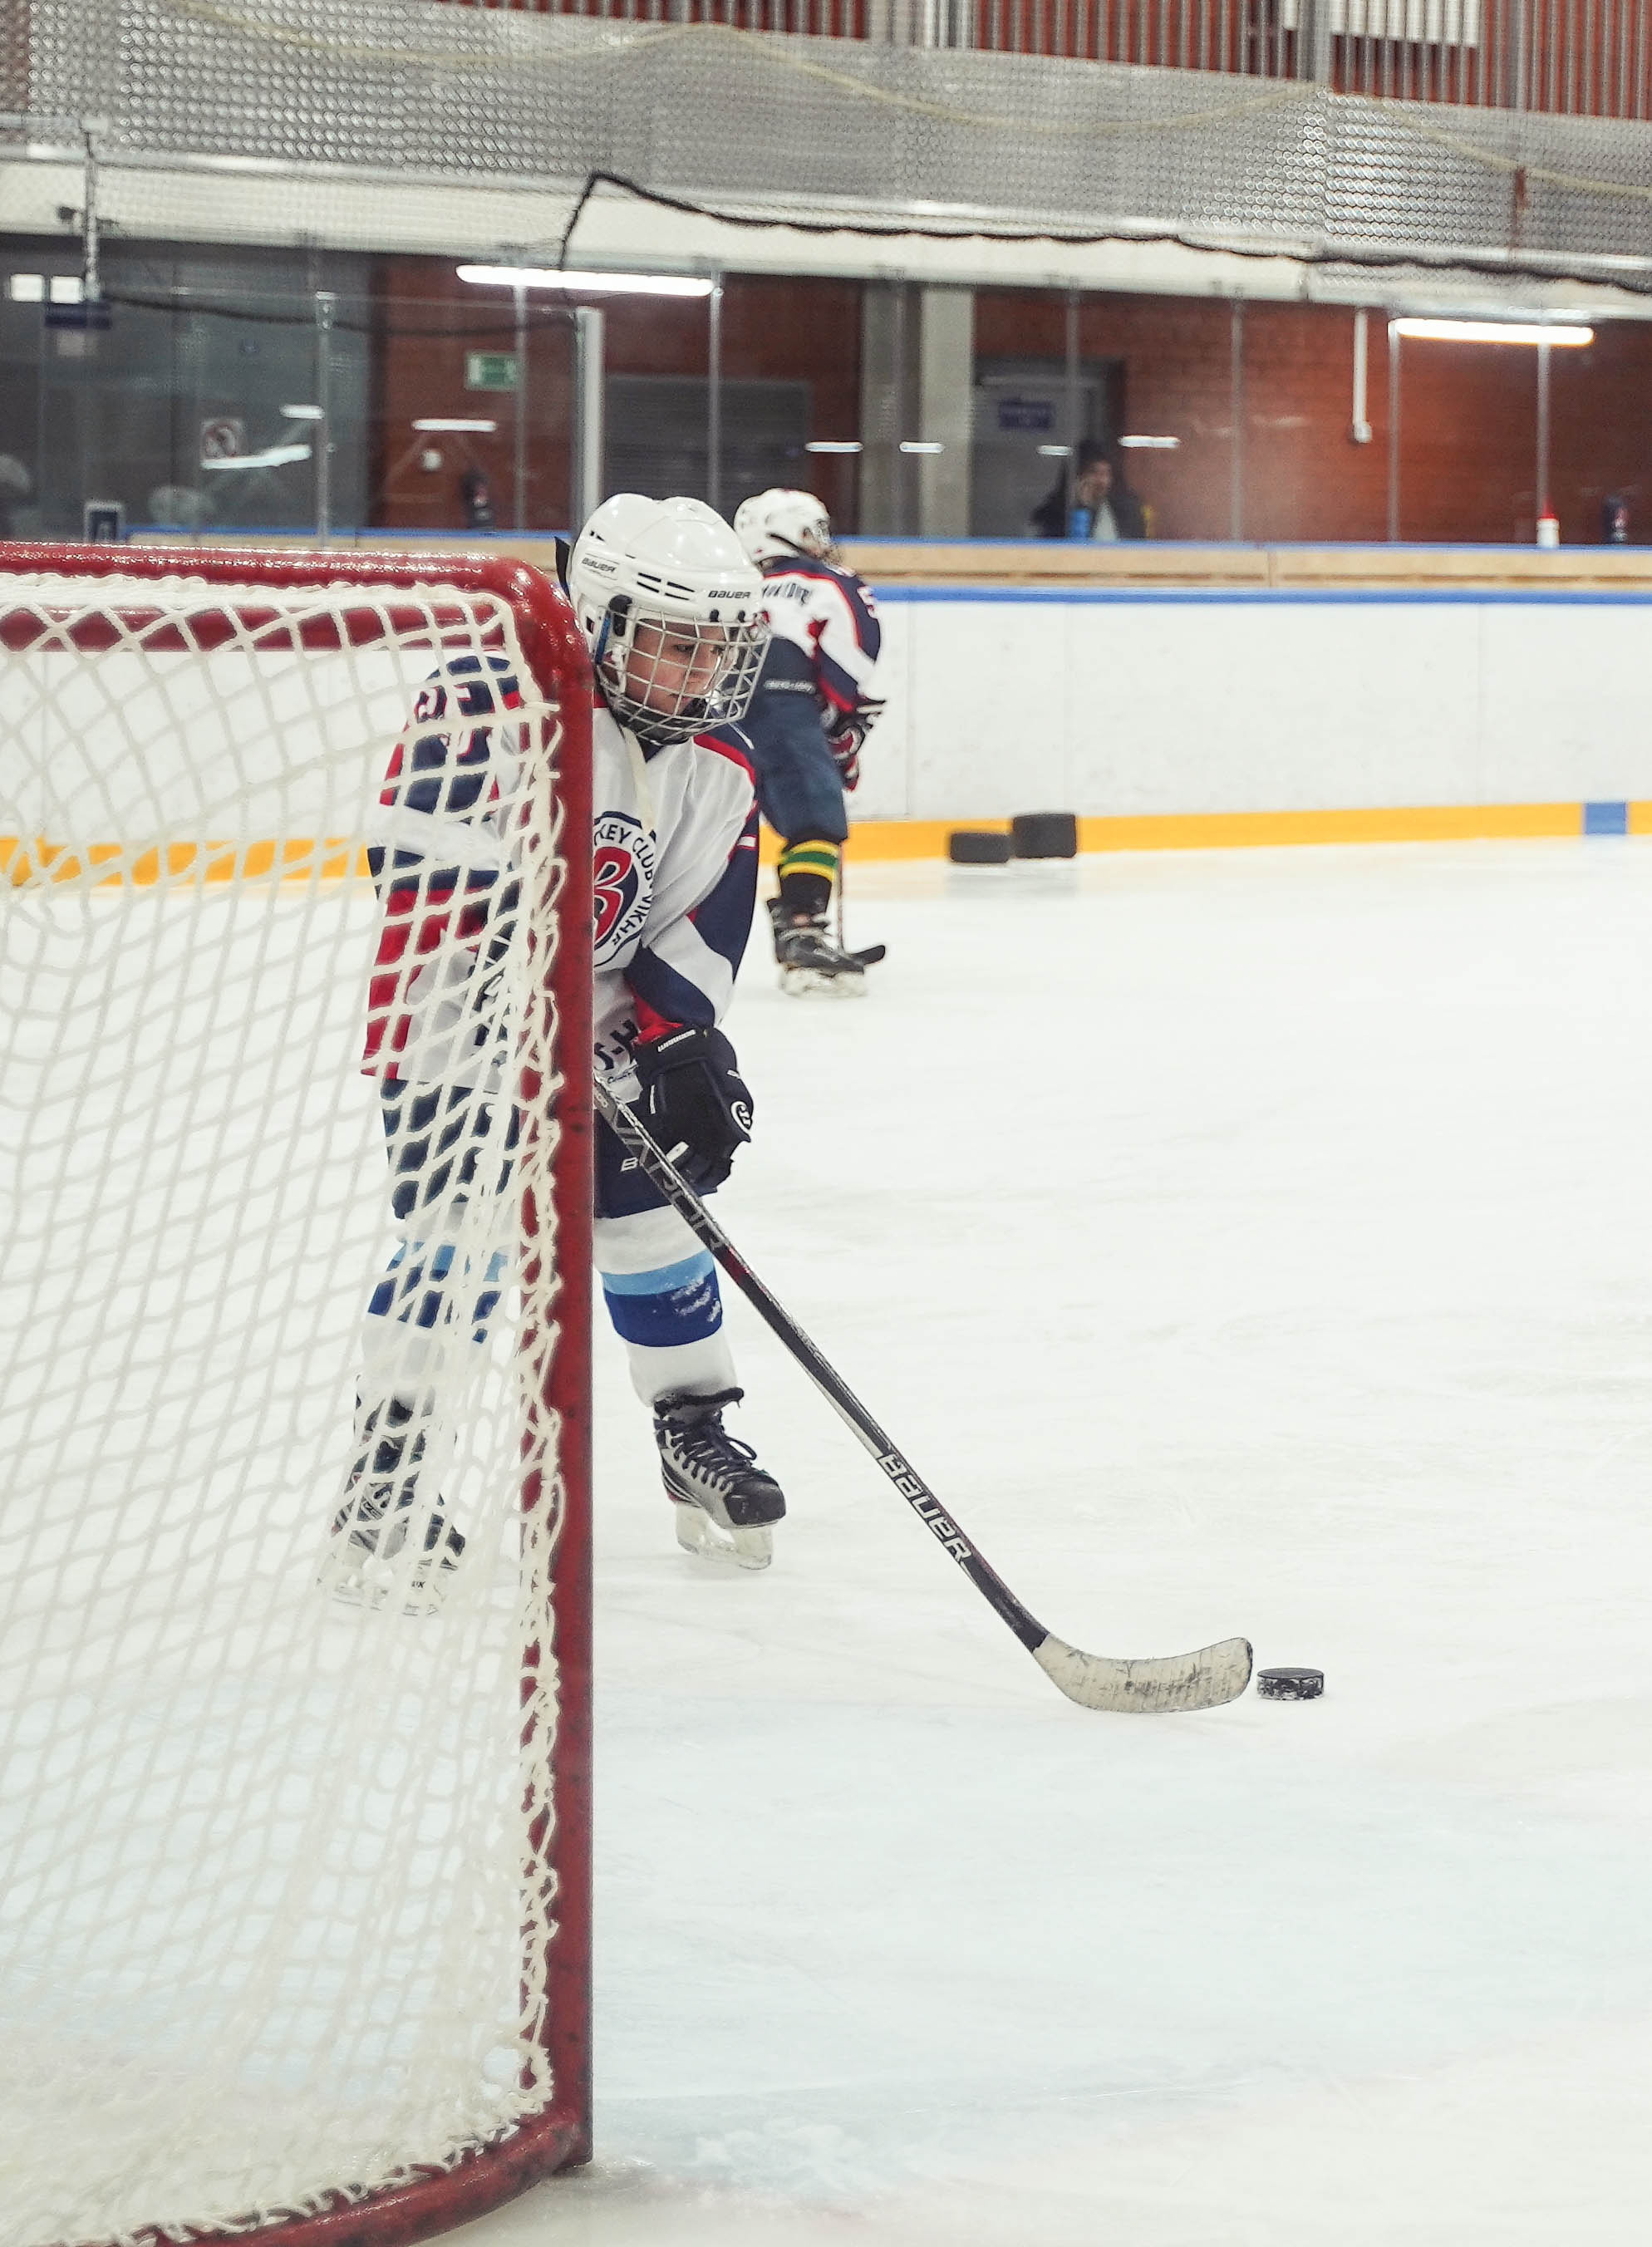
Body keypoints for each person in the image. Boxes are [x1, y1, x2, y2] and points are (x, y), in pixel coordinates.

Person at [323, 493, 787, 1610]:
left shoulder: (716, 756)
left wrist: (680, 1046)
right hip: (450, 1034)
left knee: (649, 1222)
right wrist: (496, 961)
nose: (697, 673)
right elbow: (410, 846)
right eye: (674, 642)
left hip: (602, 1031)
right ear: (601, 618)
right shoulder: (491, 697)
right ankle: (385, 1479)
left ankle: (693, 1431)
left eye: (714, 649)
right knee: (462, 1241)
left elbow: (703, 911)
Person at [730, 488, 884, 996]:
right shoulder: (827, 581)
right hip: (783, 701)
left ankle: (789, 925)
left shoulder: (732, 585)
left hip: (717, 709)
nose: (823, 544)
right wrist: (846, 722)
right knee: (816, 818)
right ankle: (802, 928)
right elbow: (854, 648)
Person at [1029, 441, 1146, 542]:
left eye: (1106, 474)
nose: (1102, 481)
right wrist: (1082, 507)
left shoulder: (1125, 511)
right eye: (1094, 473)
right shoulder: (1054, 513)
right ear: (1078, 476)